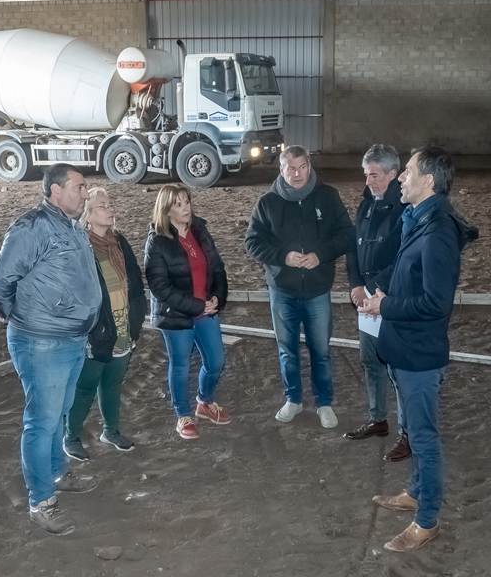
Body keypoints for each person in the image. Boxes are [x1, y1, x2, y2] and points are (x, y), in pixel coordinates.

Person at [363, 146, 477, 553]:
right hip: (403, 348)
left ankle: (426, 520)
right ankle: (414, 491)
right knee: (412, 428)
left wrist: (384, 305)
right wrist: (377, 284)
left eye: (407, 171)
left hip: (419, 354)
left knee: (424, 438)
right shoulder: (418, 218)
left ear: (429, 180)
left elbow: (435, 302)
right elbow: (402, 269)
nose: (400, 178)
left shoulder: (439, 233)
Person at [0, 163, 102, 536]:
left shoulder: (71, 226)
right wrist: (15, 317)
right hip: (42, 341)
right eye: (79, 187)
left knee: (59, 414)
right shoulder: (33, 226)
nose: (86, 193)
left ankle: (56, 473)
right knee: (42, 422)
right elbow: (0, 280)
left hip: (69, 338)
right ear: (55, 191)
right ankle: (42, 501)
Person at [244, 145, 352, 429]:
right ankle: (293, 399)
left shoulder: (327, 197)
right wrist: (284, 257)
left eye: (302, 167)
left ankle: (324, 402)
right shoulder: (267, 202)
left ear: (309, 166)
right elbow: (253, 243)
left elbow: (346, 234)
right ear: (281, 169)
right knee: (286, 350)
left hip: (317, 290)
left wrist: (321, 255)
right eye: (290, 168)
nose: (297, 174)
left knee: (321, 350)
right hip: (283, 292)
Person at [63, 187, 146, 462]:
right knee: (86, 387)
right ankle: (71, 436)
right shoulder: (80, 247)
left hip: (122, 327)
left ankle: (110, 431)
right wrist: (89, 329)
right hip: (97, 331)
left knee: (112, 383)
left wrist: (136, 321)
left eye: (110, 204)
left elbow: (134, 282)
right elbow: (74, 292)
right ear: (88, 214)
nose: (110, 209)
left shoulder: (119, 242)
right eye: (102, 206)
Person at [143, 184, 230, 441]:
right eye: (179, 204)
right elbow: (159, 286)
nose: (186, 208)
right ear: (166, 210)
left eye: (187, 202)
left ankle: (204, 401)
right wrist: (196, 305)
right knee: (180, 365)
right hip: (176, 315)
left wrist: (218, 297)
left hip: (206, 309)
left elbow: (217, 267)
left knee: (216, 361)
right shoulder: (157, 241)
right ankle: (183, 414)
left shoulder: (200, 230)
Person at [343, 144, 411, 462]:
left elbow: (404, 258)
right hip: (366, 298)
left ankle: (407, 433)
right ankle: (378, 418)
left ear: (393, 174)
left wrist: (375, 288)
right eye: (366, 174)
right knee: (370, 360)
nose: (369, 181)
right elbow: (353, 247)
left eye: (375, 175)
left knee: (398, 367)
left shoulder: (405, 210)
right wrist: (356, 284)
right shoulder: (366, 204)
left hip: (391, 298)